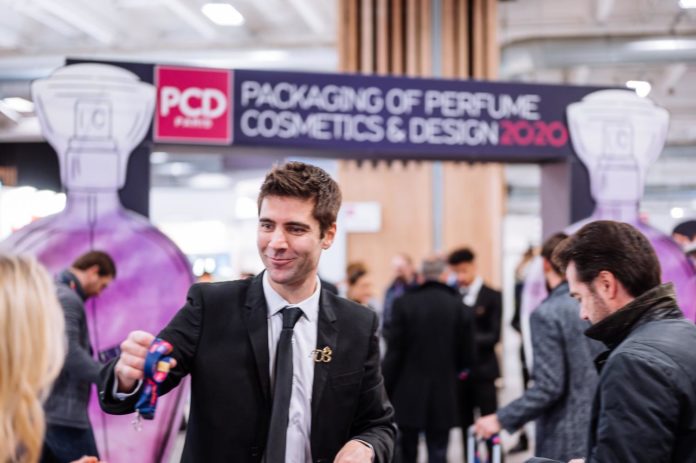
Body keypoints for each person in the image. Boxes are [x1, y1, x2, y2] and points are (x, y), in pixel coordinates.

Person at [99, 161, 396, 462]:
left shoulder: (357, 324)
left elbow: (378, 424)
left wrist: (365, 446)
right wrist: (126, 376)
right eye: (267, 225)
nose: (276, 243)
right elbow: (144, 383)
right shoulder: (210, 306)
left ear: (328, 234)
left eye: (295, 228)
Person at [553, 220, 696, 463]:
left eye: (579, 298)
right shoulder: (686, 333)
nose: (583, 314)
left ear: (606, 285)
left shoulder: (635, 364)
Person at [474, 233, 602, 461]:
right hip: (599, 430)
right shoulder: (598, 305)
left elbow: (549, 386)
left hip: (563, 435)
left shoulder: (546, 314)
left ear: (544, 264)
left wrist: (501, 419)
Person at [382, 256, 475, 463]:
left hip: (408, 390)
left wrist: (385, 387)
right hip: (445, 389)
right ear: (445, 275)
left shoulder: (403, 303)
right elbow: (468, 355)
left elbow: (394, 352)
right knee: (439, 449)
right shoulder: (459, 306)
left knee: (407, 449)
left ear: (421, 275)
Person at [42, 251, 116, 463]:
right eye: (103, 285)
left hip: (51, 410)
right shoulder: (67, 297)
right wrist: (110, 376)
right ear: (93, 272)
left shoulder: (54, 291)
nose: (100, 293)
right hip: (64, 414)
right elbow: (68, 351)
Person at [447, 247, 502, 458]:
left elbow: (493, 335)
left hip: (485, 371)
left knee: (490, 423)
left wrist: (465, 341)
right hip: (462, 374)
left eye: (463, 271)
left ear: (473, 267)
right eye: (456, 272)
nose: (460, 277)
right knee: (464, 426)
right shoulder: (452, 297)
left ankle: (496, 459)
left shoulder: (492, 296)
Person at [382, 253, 419, 338]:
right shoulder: (391, 290)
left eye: (401, 269)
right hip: (395, 335)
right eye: (396, 269)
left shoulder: (419, 287)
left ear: (411, 267)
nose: (399, 273)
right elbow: (387, 315)